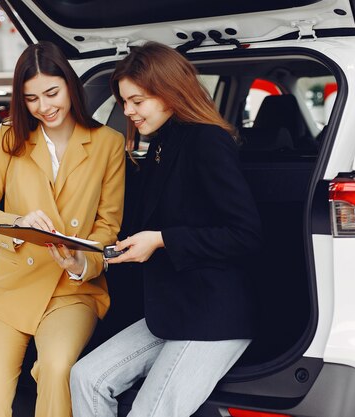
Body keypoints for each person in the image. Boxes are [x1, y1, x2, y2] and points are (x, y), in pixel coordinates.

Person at [70, 42, 262, 417]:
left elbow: (246, 234)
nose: (128, 111)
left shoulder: (207, 141)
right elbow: (139, 220)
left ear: (169, 92)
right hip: (173, 309)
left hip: (215, 312)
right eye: (124, 102)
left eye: (136, 101)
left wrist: (161, 240)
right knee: (86, 378)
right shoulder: (161, 144)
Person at [0, 41, 125, 417]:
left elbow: (107, 226)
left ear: (70, 85)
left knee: (56, 368)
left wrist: (80, 264)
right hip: (9, 288)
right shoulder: (9, 139)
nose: (44, 107)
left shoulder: (108, 144)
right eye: (31, 98)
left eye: (52, 92)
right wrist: (17, 223)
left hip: (72, 288)